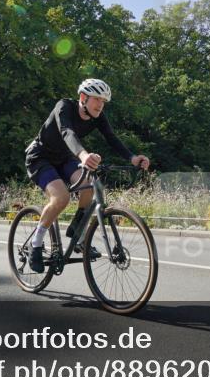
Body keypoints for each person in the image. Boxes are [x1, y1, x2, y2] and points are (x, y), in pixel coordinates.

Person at [25, 79, 150, 272]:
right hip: (40, 157)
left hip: (64, 158)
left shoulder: (98, 116)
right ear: (83, 97)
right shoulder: (64, 107)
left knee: (91, 184)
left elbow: (112, 138)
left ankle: (77, 231)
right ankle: (36, 244)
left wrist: (133, 158)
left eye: (104, 101)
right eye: (97, 99)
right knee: (61, 198)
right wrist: (83, 155)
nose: (100, 105)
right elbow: (67, 132)